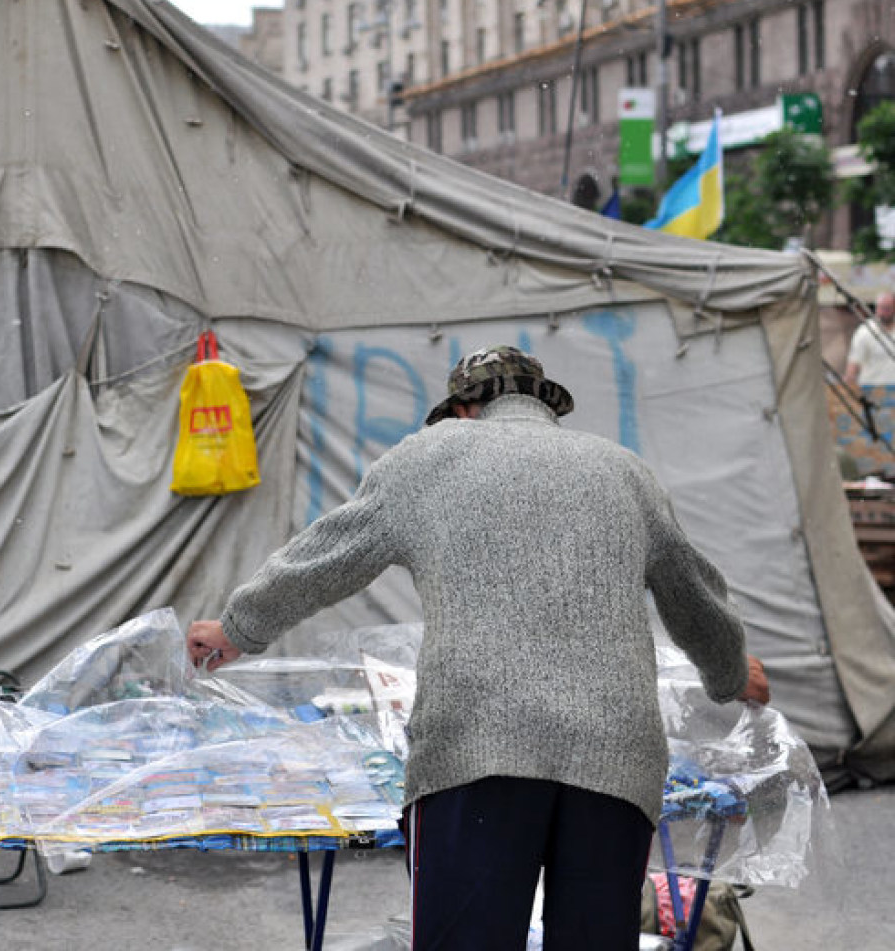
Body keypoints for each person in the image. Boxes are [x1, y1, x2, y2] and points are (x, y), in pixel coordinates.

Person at [187, 345, 770, 951]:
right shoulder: (624, 470)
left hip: (476, 751)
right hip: (615, 759)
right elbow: (695, 593)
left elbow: (324, 558)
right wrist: (731, 674)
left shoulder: (428, 456)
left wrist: (237, 629)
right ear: (545, 406)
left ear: (464, 409)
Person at [845, 290, 895, 386]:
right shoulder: (865, 331)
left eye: (887, 308)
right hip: (870, 389)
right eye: (880, 308)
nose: (883, 312)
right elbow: (854, 363)